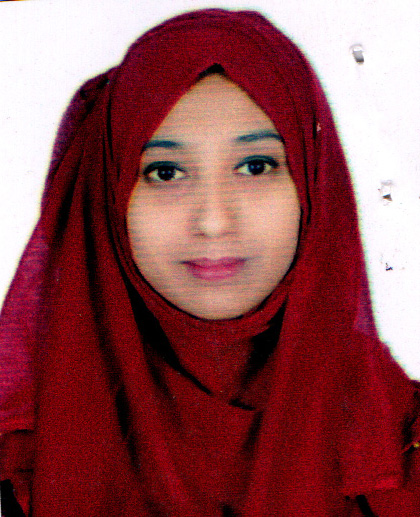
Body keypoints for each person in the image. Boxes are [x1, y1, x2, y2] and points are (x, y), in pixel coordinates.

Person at [0, 8, 419, 516]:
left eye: (256, 166)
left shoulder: (398, 448)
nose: (214, 221)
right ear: (108, 198)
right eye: (165, 172)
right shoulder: (22, 456)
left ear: (314, 185)